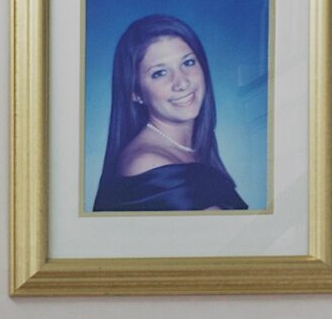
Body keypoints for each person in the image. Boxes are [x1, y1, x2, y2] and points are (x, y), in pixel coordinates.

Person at [92, 13, 248, 213]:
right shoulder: (147, 164)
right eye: (160, 73)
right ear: (136, 92)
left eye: (188, 63)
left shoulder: (195, 148)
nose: (182, 82)